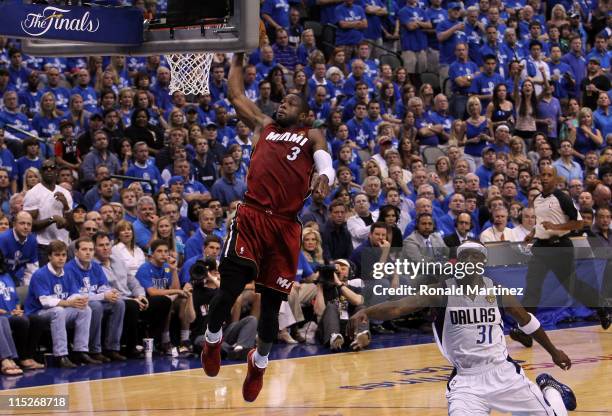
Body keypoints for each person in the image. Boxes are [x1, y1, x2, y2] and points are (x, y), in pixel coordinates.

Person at [201, 52, 334, 403]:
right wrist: (238, 57)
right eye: (282, 100)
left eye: (290, 102)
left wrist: (325, 177)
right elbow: (236, 96)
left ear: (304, 114)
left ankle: (258, 363)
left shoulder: (311, 135)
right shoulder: (265, 127)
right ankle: (212, 342)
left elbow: (324, 160)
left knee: (273, 307)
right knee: (228, 289)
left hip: (286, 226)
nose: (282, 104)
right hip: (253, 216)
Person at [349, 241, 578, 416]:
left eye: (476, 257)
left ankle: (549, 387)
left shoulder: (497, 291)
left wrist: (554, 352)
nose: (471, 261)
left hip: (505, 374)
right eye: (465, 256)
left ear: (482, 263)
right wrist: (366, 311)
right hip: (467, 382)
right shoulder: (441, 292)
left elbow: (527, 321)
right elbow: (397, 308)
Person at [511, 166, 611, 348]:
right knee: (533, 287)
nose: (546, 178)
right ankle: (524, 330)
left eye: (550, 175)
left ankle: (601, 308)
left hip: (560, 246)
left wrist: (556, 228)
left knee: (572, 286)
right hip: (541, 246)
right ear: (539, 178)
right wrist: (533, 232)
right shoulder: (537, 199)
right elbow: (543, 221)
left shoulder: (562, 197)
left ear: (555, 179)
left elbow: (579, 223)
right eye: (543, 175)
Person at [24, 240, 97, 368]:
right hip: (38, 313)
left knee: (85, 309)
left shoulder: (67, 272)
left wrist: (79, 300)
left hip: (59, 310)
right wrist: (69, 303)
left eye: (63, 255)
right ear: (49, 256)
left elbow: (74, 293)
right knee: (58, 310)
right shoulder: (40, 274)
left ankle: (80, 351)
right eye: (57, 255)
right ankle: (61, 355)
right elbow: (45, 301)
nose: (61, 258)